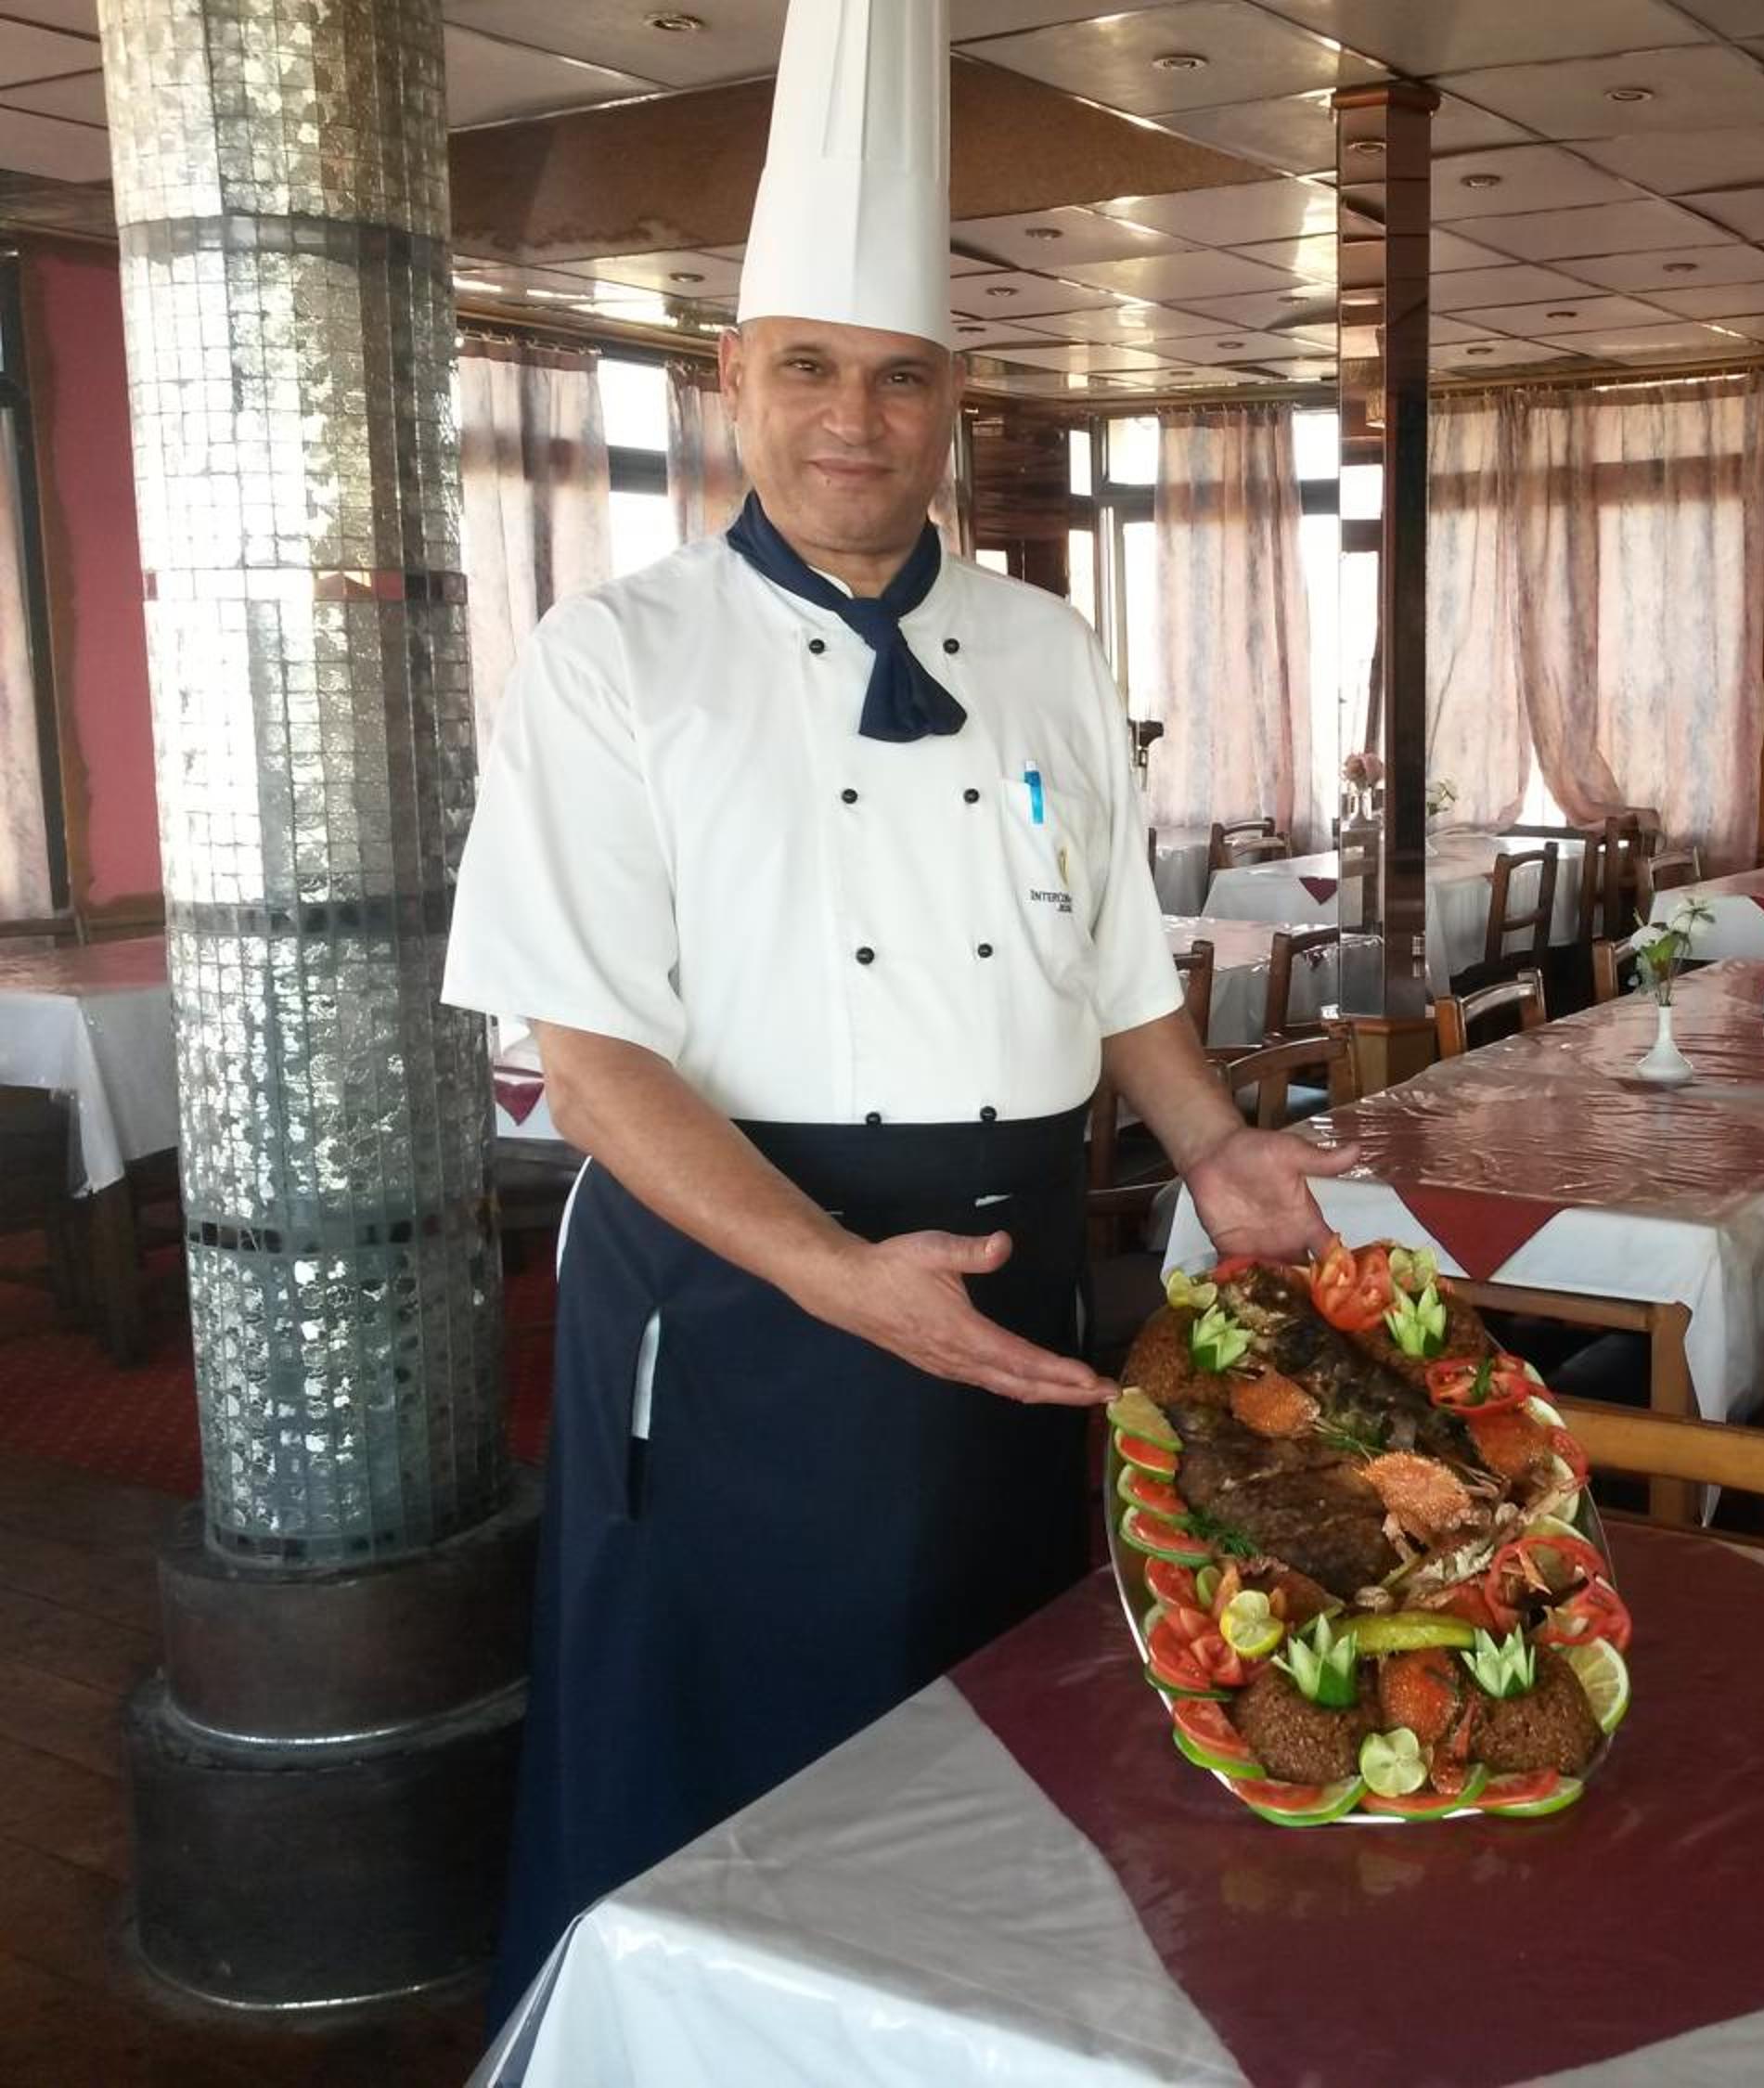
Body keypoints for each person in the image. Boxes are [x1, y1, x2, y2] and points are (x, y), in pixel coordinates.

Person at [444, 0, 1353, 2019]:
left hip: (1014, 1272)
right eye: (809, 368)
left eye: (902, 375)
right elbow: (588, 1064)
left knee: (991, 1723)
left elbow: (1111, 960)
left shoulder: (1045, 644)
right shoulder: (612, 659)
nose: (854, 418)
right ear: (730, 379)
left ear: (958, 398)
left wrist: (1217, 1144)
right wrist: (839, 1280)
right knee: (728, 1751)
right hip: (734, 1291)